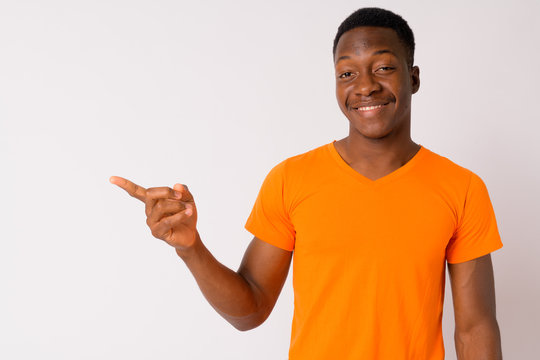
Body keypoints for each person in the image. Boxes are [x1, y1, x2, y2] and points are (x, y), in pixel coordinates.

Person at [110, 7, 503, 360]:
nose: (364, 86)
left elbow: (475, 331)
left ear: (413, 77)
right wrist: (192, 249)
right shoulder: (292, 180)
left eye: (383, 67)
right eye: (347, 73)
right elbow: (250, 310)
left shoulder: (461, 188)